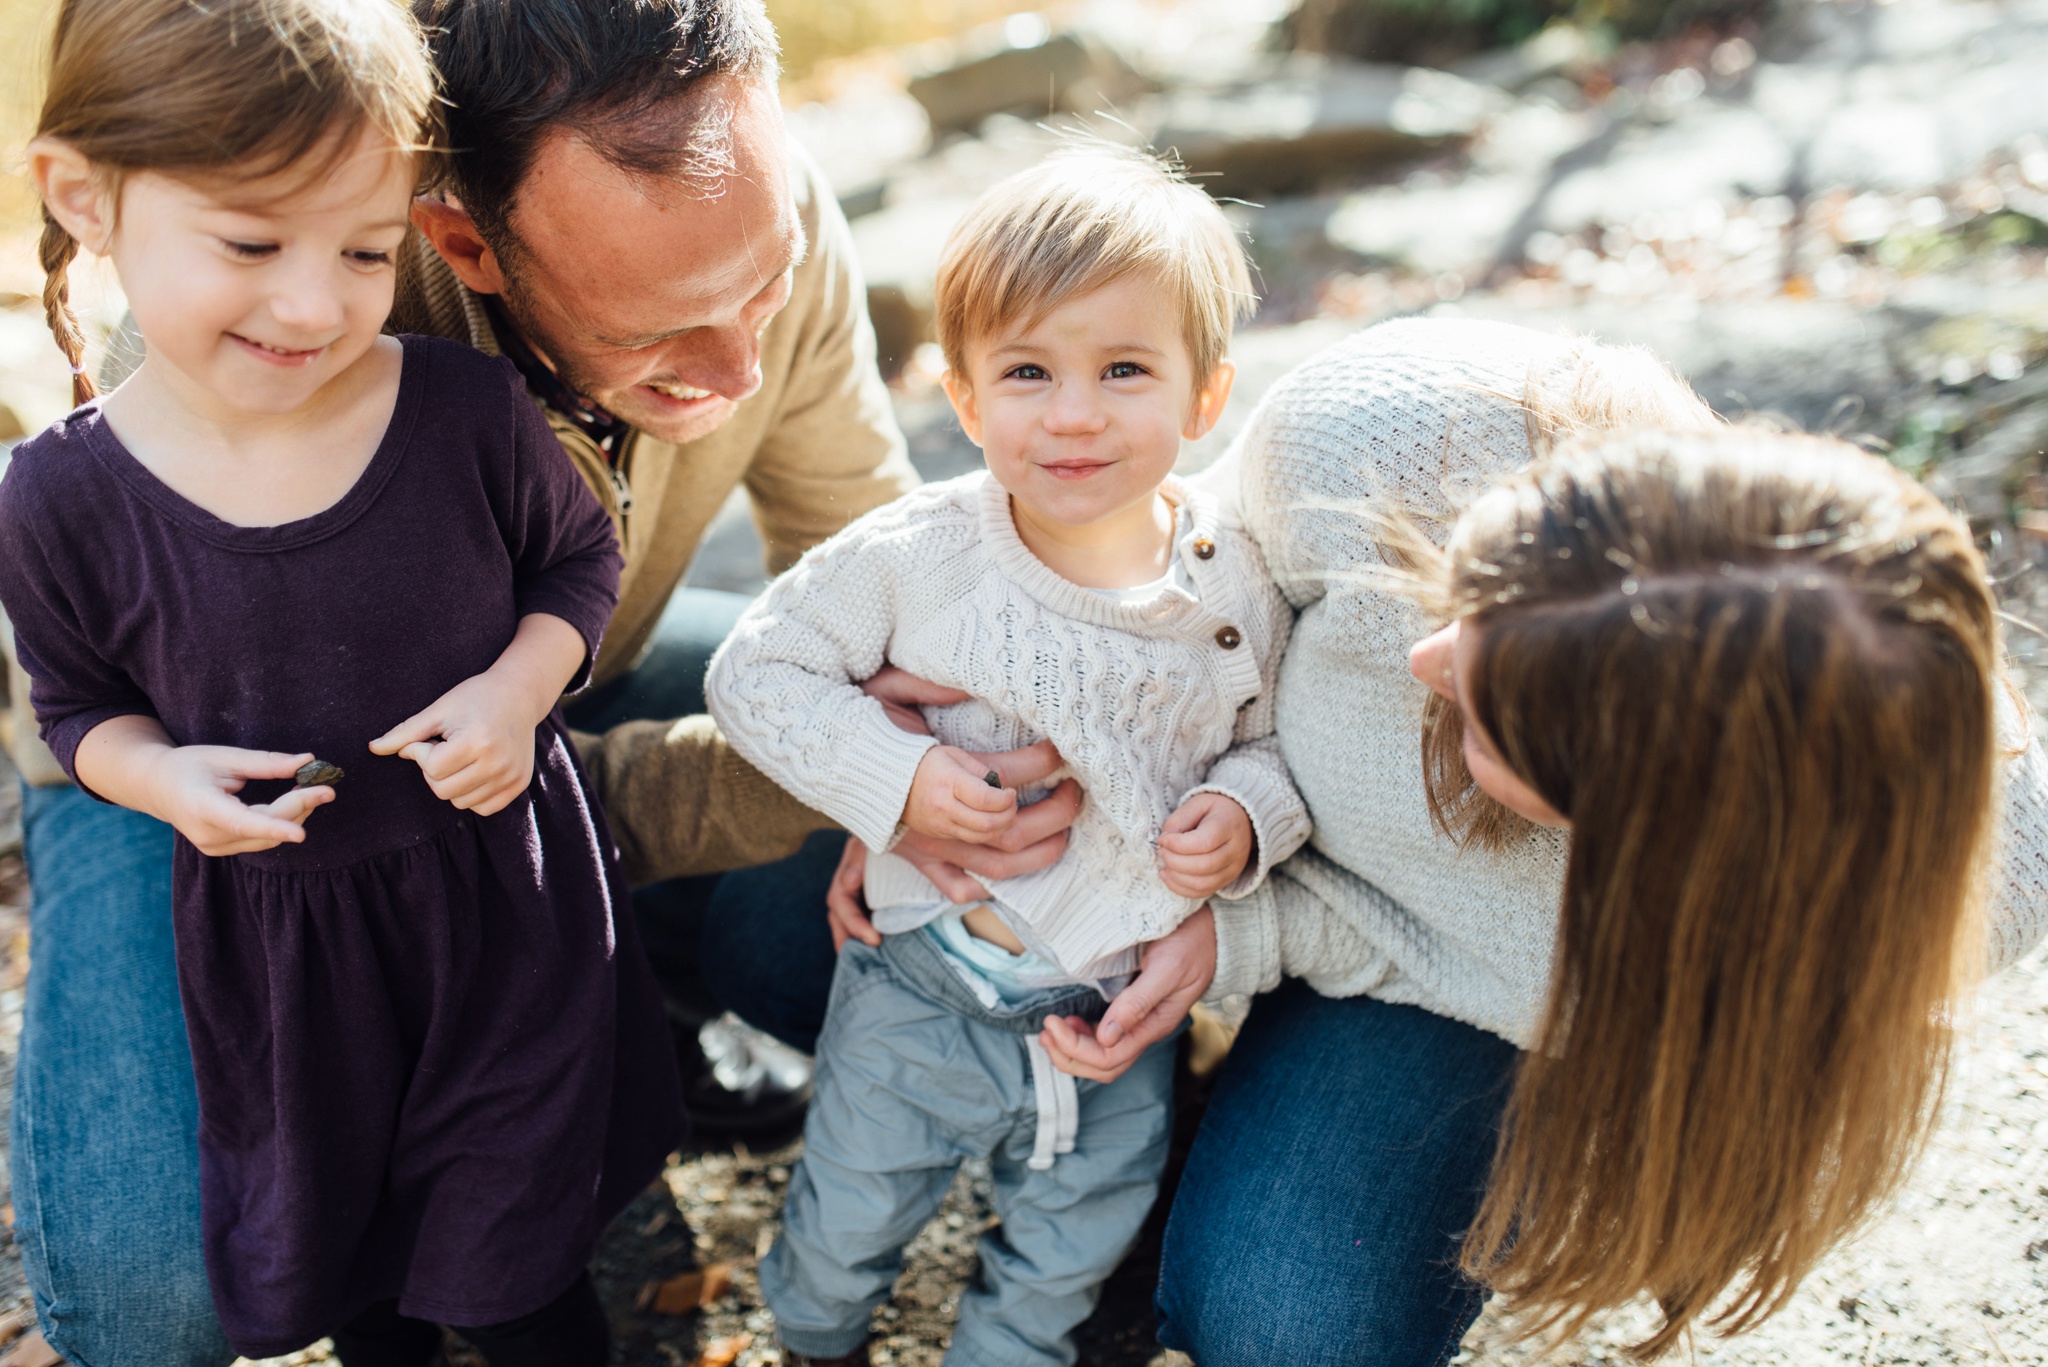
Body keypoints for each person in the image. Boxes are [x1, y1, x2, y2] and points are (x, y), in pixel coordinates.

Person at [0, 1, 1078, 1361]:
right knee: (175, 1286)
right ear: (460, 242)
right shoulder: (277, 335)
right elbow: (192, 742)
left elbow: (875, 604)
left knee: (908, 883)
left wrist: (885, 777)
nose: (739, 366)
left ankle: (615, 1005)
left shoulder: (748, 218)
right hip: (225, 803)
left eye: (764, 283)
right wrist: (802, 780)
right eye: (661, 330)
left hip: (537, 707)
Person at [1008, 316, 2048, 1364]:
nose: (1427, 656)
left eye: (1488, 707)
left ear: (1643, 825)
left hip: (1542, 1003)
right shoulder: (1384, 435)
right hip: (1276, 852)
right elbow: (1150, 581)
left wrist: (1256, 935)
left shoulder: (1943, 892)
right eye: (1476, 591)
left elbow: (1496, 951)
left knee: (1293, 1329)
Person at [5, 0, 684, 1361]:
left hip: (505, 915)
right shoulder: (59, 496)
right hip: (286, 954)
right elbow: (79, 712)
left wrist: (515, 692)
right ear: (85, 197)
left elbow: (574, 571)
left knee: (529, 1262)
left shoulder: (461, 412)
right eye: (251, 242)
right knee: (368, 1265)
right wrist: (164, 780)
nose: (313, 302)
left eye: (365, 250)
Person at [705, 149, 1311, 1367]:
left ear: (1204, 397)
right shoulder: (922, 554)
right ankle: (814, 1337)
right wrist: (893, 780)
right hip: (921, 982)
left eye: (1123, 369)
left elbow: (1277, 745)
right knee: (846, 1220)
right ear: (967, 398)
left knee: (1066, 1250)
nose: (1073, 411)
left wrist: (1247, 815)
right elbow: (752, 670)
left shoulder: (1233, 576)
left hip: (1109, 1014)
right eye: (1028, 371)